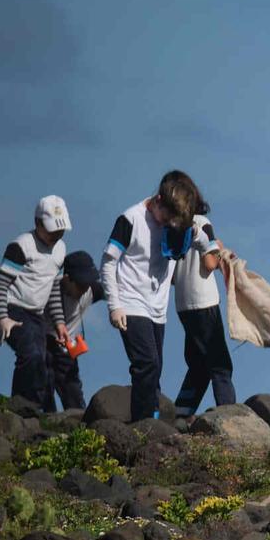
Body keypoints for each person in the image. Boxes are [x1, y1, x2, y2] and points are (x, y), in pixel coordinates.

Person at [102, 172, 201, 422]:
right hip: (130, 302)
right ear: (158, 200)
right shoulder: (131, 219)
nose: (167, 224)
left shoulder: (174, 223)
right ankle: (142, 424)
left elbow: (195, 239)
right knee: (146, 364)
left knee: (155, 369)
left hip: (158, 306)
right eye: (166, 217)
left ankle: (153, 419)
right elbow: (108, 261)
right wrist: (114, 306)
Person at [0, 196, 70, 412]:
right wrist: (2, 318)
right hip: (10, 307)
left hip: (36, 313)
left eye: (60, 231)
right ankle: (20, 408)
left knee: (44, 360)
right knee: (30, 354)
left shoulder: (61, 249)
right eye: (53, 230)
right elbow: (0, 284)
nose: (57, 235)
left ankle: (33, 410)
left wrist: (60, 322)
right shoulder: (21, 246)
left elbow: (53, 289)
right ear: (38, 223)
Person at [171, 199, 235, 414]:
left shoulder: (174, 227)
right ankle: (230, 416)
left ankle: (180, 413)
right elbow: (208, 263)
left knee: (198, 365)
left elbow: (171, 276)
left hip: (182, 303)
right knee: (220, 364)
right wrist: (220, 252)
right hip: (203, 300)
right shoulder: (203, 223)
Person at [50, 251, 108, 412]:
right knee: (43, 379)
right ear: (67, 279)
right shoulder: (49, 293)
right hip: (46, 341)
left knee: (72, 388)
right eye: (81, 284)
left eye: (88, 283)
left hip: (68, 348)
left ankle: (77, 421)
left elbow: (114, 292)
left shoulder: (91, 290)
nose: (85, 289)